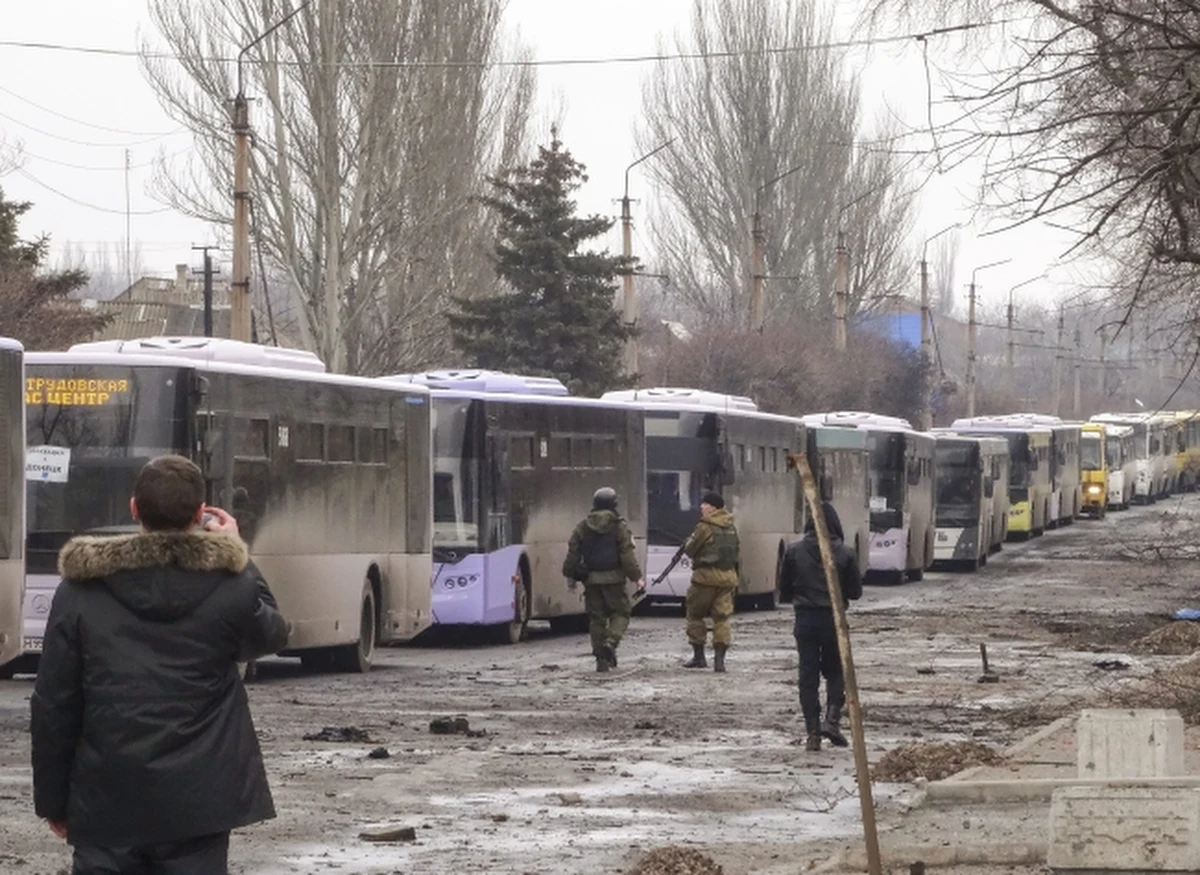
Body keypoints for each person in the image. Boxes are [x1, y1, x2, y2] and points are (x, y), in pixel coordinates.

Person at [31, 454, 290, 875]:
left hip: (105, 797)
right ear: (198, 514)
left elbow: (53, 704)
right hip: (198, 803)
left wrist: (53, 800)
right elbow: (272, 633)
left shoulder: (80, 590)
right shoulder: (229, 587)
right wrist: (235, 552)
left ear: (134, 508)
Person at [778, 500, 863, 752]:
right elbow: (856, 592)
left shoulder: (793, 552)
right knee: (837, 670)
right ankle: (832, 719)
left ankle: (812, 733)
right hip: (833, 620)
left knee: (808, 676)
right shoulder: (846, 553)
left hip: (805, 620)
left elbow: (783, 592)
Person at [562, 487, 645, 672]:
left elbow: (572, 553)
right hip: (615, 580)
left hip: (591, 581)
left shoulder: (583, 526)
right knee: (621, 613)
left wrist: (570, 576)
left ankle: (601, 659)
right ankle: (611, 642)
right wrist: (637, 578)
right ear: (614, 504)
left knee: (596, 619)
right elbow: (627, 556)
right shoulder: (619, 527)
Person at [682, 491, 740, 673]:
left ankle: (699, 657)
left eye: (705, 504)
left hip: (704, 579)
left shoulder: (704, 527)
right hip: (727, 578)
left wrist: (687, 542)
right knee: (721, 618)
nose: (701, 507)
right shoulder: (731, 526)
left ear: (713, 507)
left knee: (695, 615)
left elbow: (690, 550)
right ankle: (719, 661)